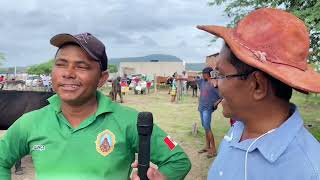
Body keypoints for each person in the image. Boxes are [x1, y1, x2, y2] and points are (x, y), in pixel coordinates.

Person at [0, 32, 191, 180]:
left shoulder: (130, 121)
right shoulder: (30, 122)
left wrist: (161, 177)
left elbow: (178, 161)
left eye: (81, 66)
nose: (68, 73)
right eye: (61, 64)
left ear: (102, 78)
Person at [197, 8, 320, 180]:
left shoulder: (307, 172)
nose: (216, 84)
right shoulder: (238, 129)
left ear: (257, 86)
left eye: (222, 75)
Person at [197, 67, 222, 158]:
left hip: (208, 108)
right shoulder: (202, 82)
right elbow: (190, 80)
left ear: (208, 74)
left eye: (204, 73)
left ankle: (214, 149)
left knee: (208, 128)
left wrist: (216, 103)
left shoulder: (214, 82)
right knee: (205, 127)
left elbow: (222, 95)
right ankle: (207, 146)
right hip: (201, 107)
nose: (202, 75)